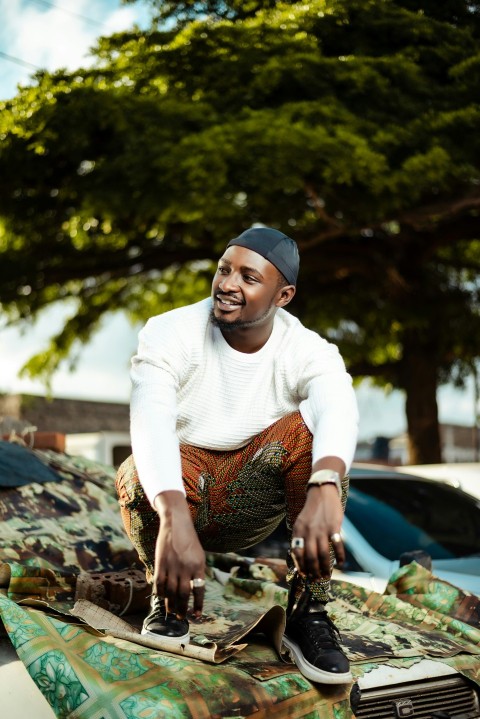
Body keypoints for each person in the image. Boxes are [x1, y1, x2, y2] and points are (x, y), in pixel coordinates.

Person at [116, 226, 359, 685]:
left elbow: (338, 405)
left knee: (311, 433)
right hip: (186, 497)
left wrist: (326, 483)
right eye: (224, 269)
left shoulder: (307, 349)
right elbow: (149, 419)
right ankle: (167, 600)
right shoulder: (169, 332)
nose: (228, 284)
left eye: (249, 277)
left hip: (255, 498)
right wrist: (171, 515)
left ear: (283, 295)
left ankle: (309, 611)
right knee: (134, 470)